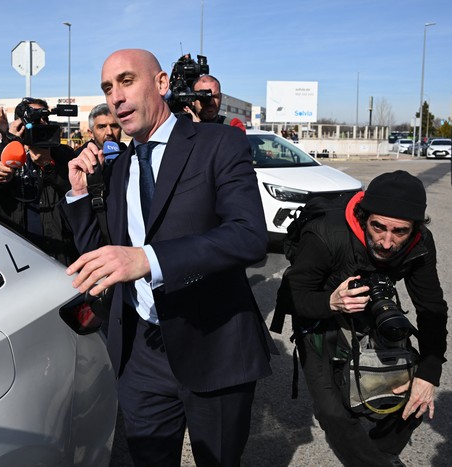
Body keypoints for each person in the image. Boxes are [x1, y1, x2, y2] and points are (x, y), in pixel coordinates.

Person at [62, 49, 276, 466]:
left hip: (213, 343)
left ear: (161, 84)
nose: (116, 97)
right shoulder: (120, 167)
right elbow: (103, 258)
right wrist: (79, 195)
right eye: (108, 88)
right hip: (142, 352)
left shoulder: (219, 143)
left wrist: (150, 260)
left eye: (126, 81)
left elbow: (249, 236)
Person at [274, 170, 447, 466]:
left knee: (415, 395)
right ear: (364, 216)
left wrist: (428, 374)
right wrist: (331, 302)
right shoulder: (326, 234)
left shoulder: (420, 243)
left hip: (371, 309)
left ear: (415, 228)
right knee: (333, 413)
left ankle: (375, 457)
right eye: (378, 227)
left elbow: (432, 308)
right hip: (319, 312)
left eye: (400, 232)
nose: (387, 243)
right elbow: (293, 297)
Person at [0, 97, 78, 265]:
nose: (42, 124)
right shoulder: (2, 152)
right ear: (20, 124)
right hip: (17, 251)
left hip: (58, 249)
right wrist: (12, 150)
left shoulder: (62, 152)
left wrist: (48, 165)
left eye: (45, 119)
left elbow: (74, 190)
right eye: (35, 119)